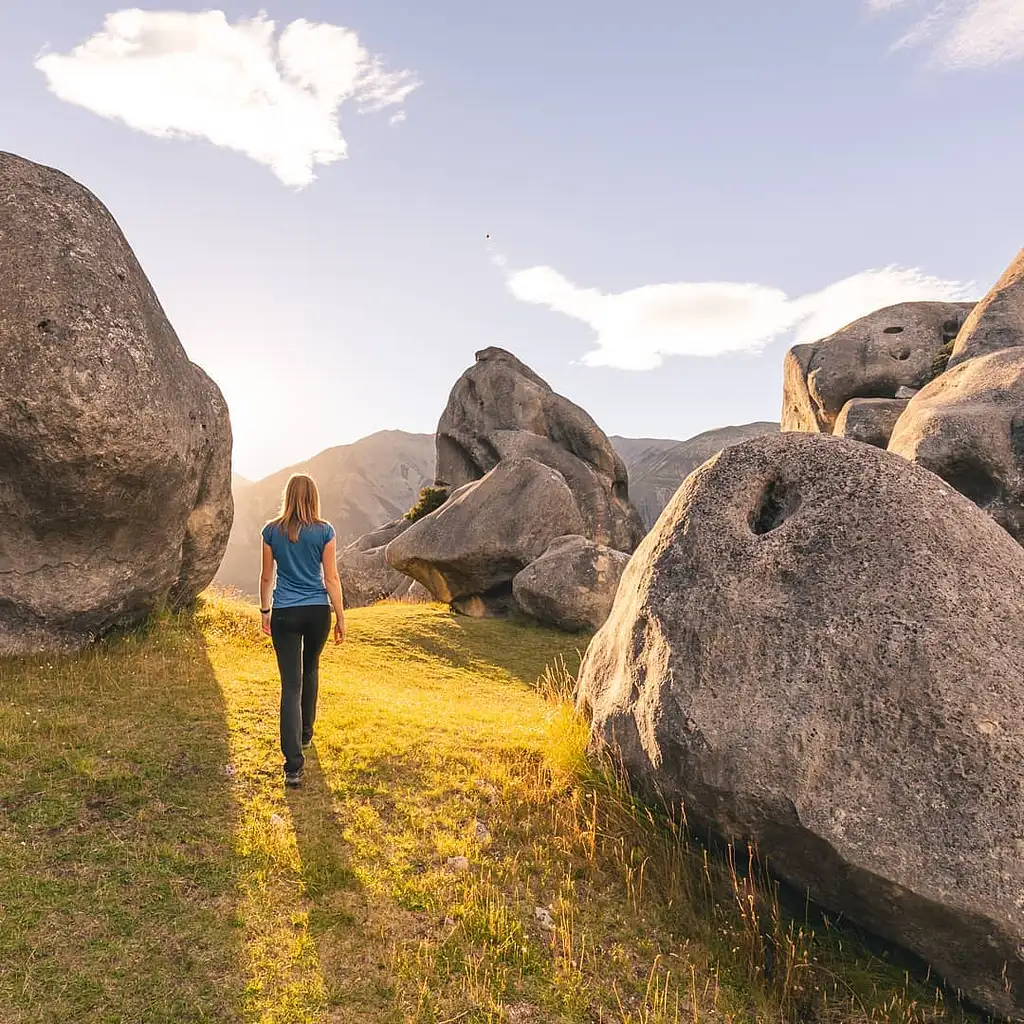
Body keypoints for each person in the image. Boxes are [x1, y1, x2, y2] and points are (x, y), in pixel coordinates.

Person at [259, 473, 345, 787]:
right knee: (310, 670)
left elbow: (267, 577)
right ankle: (306, 734)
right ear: (313, 497)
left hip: (284, 613)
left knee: (290, 686)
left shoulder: (271, 531)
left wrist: (265, 610)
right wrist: (341, 617)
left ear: (287, 497)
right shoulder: (325, 531)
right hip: (317, 612)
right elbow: (332, 579)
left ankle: (293, 766)